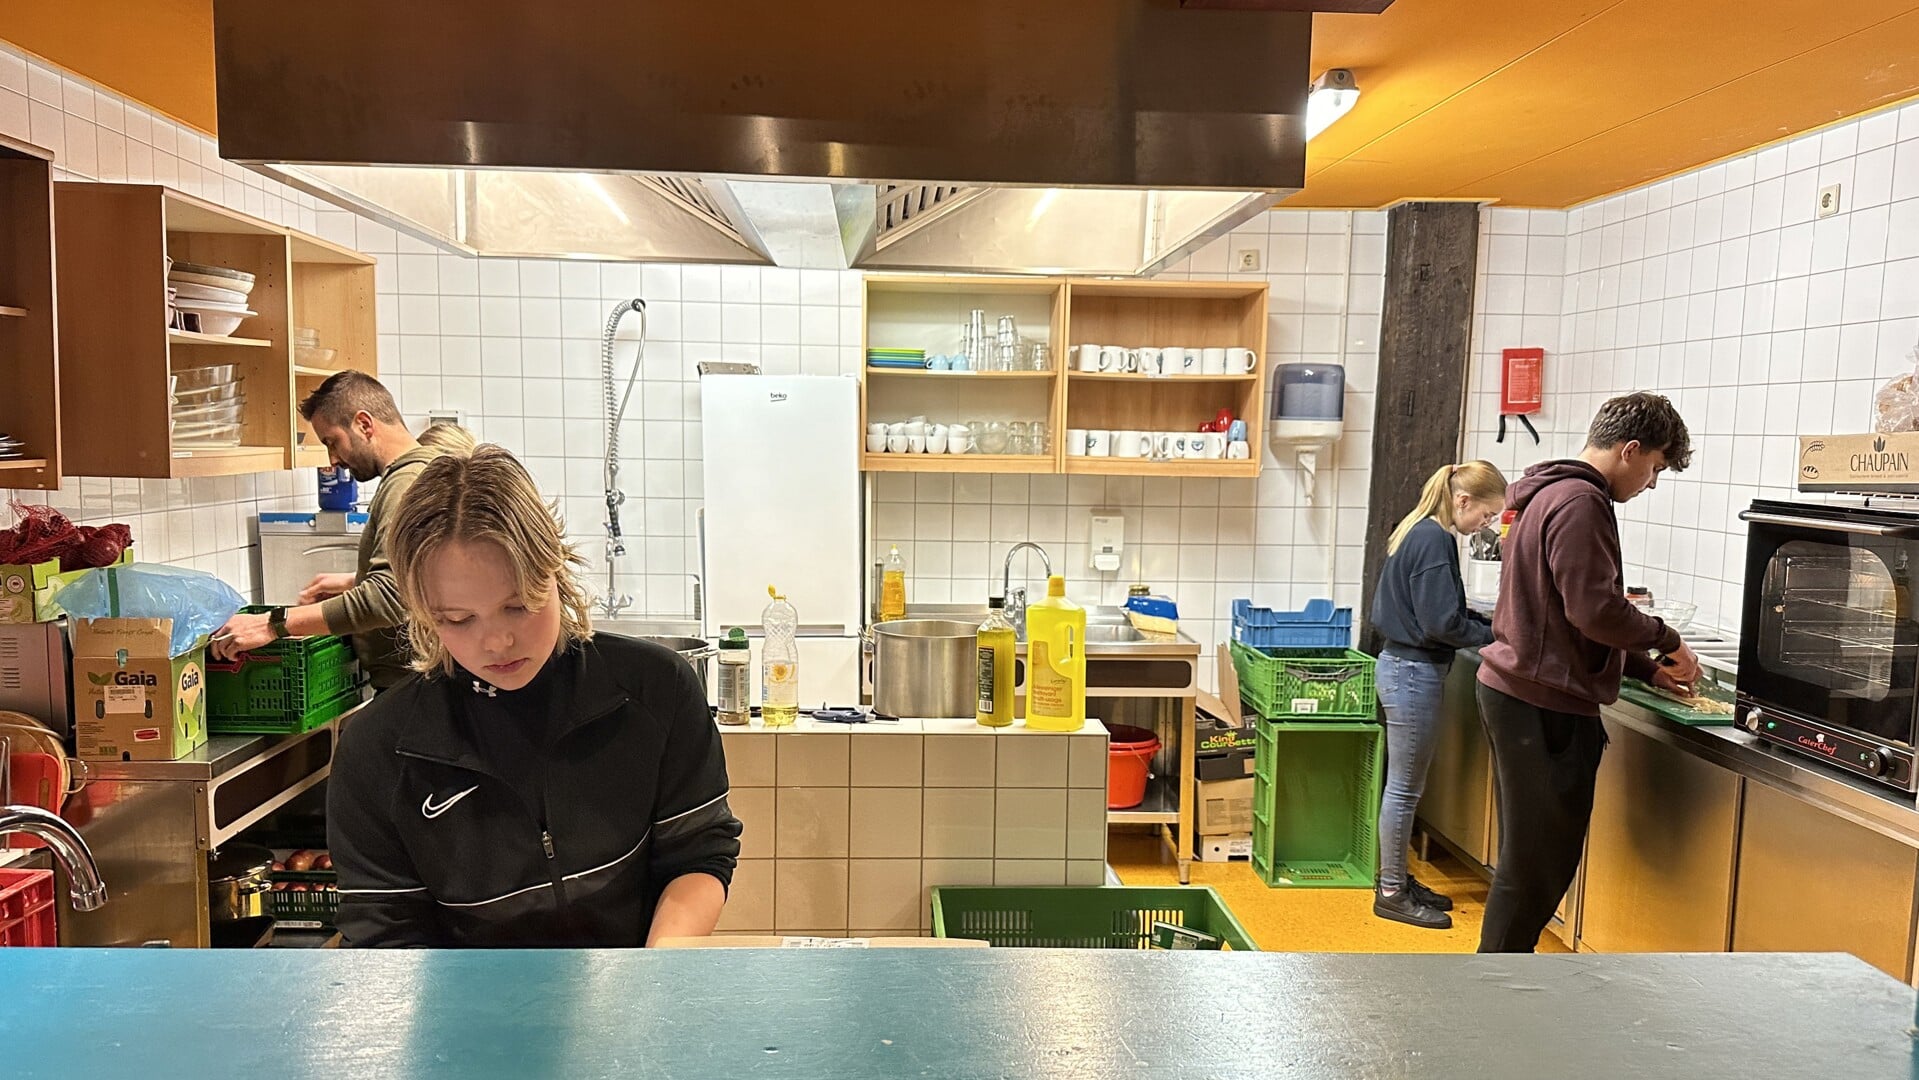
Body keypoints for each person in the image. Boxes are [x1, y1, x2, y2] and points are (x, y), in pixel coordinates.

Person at [326, 445, 740, 947]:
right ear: (422, 612)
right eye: (457, 619)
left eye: (519, 605)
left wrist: (655, 975)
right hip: (469, 1014)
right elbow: (387, 931)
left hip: (632, 996)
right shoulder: (379, 747)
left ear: (556, 571)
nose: (497, 641)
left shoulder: (656, 688)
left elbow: (697, 853)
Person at [1475, 392, 1701, 953]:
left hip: (1525, 694)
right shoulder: (1581, 502)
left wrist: (1646, 670)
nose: (1650, 483)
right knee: (1536, 865)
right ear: (1629, 450)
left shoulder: (1549, 493)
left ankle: (1498, 980)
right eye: (1654, 468)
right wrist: (1668, 642)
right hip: (1542, 703)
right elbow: (1595, 610)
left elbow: (1569, 618)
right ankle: (1490, 988)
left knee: (1536, 859)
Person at [212, 372, 445, 689]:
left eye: (332, 442)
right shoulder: (431, 466)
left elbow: (389, 597)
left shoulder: (404, 484)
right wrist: (355, 581)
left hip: (411, 687)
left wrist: (274, 623)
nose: (333, 459)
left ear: (364, 424)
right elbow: (423, 579)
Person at [1368, 460, 1508, 931]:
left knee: (1405, 786)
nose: (1484, 526)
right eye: (1486, 516)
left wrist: (1487, 625)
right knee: (1404, 788)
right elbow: (1440, 623)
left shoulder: (1420, 529)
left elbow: (1441, 610)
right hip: (1412, 673)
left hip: (1402, 667)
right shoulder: (1436, 538)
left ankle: (1398, 880)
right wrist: (1495, 636)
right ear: (1463, 500)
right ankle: (1390, 892)